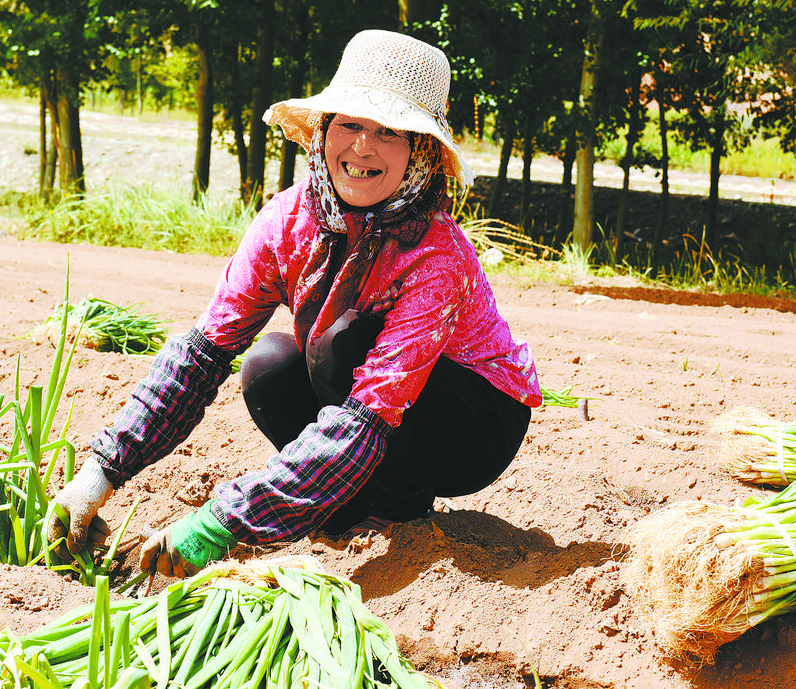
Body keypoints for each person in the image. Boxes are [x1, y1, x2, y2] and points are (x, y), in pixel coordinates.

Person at [47, 29, 542, 579]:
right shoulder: (287, 221)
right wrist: (98, 473)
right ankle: (352, 507)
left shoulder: (435, 254)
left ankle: (400, 508)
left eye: (389, 133)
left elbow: (369, 414)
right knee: (270, 365)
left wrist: (223, 523)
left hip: (473, 421)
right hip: (368, 403)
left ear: (421, 151)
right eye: (349, 123)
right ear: (324, 131)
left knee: (340, 347)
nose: (362, 147)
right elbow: (199, 357)